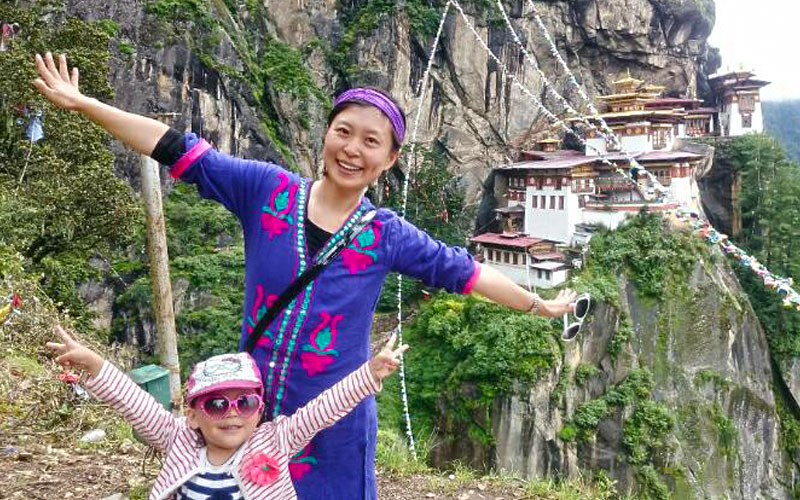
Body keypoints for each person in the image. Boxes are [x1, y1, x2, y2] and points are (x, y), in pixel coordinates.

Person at [33, 52, 578, 498]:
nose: (352, 149)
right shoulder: (266, 190)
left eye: (371, 141)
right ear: (326, 134)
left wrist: (539, 304)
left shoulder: (387, 234)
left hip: (336, 422)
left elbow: (467, 273)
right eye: (344, 131)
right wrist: (85, 104)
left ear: (389, 159)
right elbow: (174, 147)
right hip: (249, 412)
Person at [47, 325, 407, 500]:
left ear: (259, 409)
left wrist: (369, 374)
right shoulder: (179, 439)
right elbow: (133, 402)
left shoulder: (276, 439)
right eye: (216, 404)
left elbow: (323, 409)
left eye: (244, 402)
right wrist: (95, 366)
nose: (232, 414)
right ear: (193, 415)